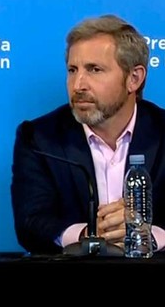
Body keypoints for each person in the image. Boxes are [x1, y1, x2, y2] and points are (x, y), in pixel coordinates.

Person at [11, 14, 165, 255]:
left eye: (94, 69)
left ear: (134, 79)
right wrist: (90, 235)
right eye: (72, 70)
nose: (78, 85)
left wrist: (145, 235)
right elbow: (31, 223)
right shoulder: (39, 138)